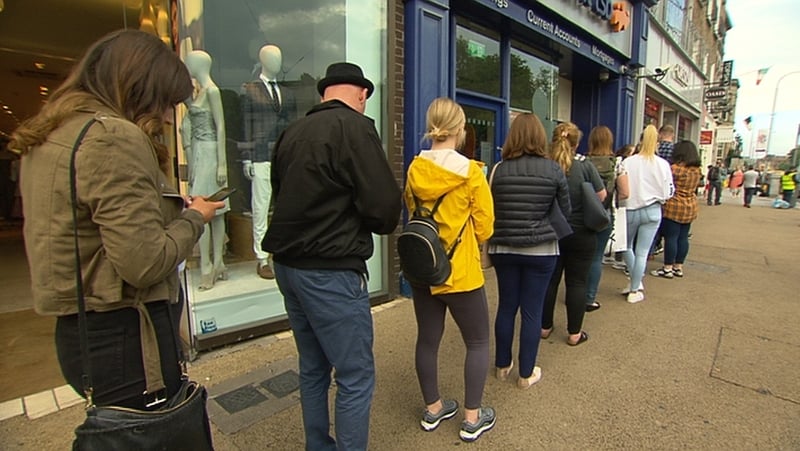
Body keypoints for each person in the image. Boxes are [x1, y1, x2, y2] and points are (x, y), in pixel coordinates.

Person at [10, 30, 224, 410]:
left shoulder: (55, 132)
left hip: (87, 329)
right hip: (126, 336)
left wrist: (167, 208)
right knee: (149, 432)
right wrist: (194, 217)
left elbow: (93, 224)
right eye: (164, 103)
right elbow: (144, 262)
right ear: (142, 88)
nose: (164, 117)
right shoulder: (113, 138)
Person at [263, 62, 401, 450]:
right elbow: (384, 209)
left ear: (325, 93)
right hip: (330, 270)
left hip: (288, 267)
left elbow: (281, 195)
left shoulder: (291, 132)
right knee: (355, 375)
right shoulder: (355, 127)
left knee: (312, 368)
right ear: (362, 95)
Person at [405, 97, 496, 442]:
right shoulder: (471, 172)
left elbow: (411, 207)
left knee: (427, 340)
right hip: (460, 274)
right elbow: (485, 227)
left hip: (424, 269)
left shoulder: (415, 168)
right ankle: (472, 419)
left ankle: (433, 409)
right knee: (477, 341)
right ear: (459, 130)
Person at [488, 113, 569, 390]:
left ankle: (501, 365)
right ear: (539, 137)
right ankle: (525, 374)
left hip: (504, 247)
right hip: (542, 250)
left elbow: (491, 209)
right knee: (532, 311)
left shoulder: (498, 169)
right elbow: (565, 211)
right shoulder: (554, 169)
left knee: (507, 306)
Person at [542, 122, 607, 346]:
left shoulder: (545, 164)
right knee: (577, 282)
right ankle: (574, 334)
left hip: (551, 231)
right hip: (581, 232)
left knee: (550, 282)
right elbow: (601, 195)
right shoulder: (585, 165)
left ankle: (544, 327)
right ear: (577, 142)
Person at [241, 44, 298, 280]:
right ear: (262, 61)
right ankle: (262, 257)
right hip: (261, 153)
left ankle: (283, 250)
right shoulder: (250, 90)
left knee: (285, 204)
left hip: (283, 153)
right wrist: (247, 156)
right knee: (261, 206)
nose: (277, 63)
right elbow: (246, 124)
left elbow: (292, 125)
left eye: (279, 58)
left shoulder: (288, 93)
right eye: (272, 58)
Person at [182, 50, 230, 290]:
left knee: (212, 209)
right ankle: (210, 264)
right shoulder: (198, 93)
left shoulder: (212, 91)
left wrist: (222, 163)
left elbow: (221, 127)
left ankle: (213, 265)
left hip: (211, 154)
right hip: (200, 153)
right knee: (205, 209)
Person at [616, 125, 674, 303]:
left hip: (630, 207)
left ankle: (635, 281)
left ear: (640, 141)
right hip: (653, 209)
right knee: (642, 252)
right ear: (656, 142)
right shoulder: (663, 164)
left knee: (625, 246)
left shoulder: (628, 162)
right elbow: (668, 191)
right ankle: (635, 287)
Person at [650, 140, 701, 279]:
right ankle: (678, 267)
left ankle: (667, 268)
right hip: (690, 206)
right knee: (683, 237)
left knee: (671, 237)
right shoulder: (697, 171)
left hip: (674, 205)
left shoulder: (674, 169)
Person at [585, 125, 618, 312]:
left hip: (582, 215)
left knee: (580, 257)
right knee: (596, 257)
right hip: (605, 214)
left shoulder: (583, 161)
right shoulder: (617, 163)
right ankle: (589, 298)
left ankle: (575, 293)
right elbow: (626, 192)